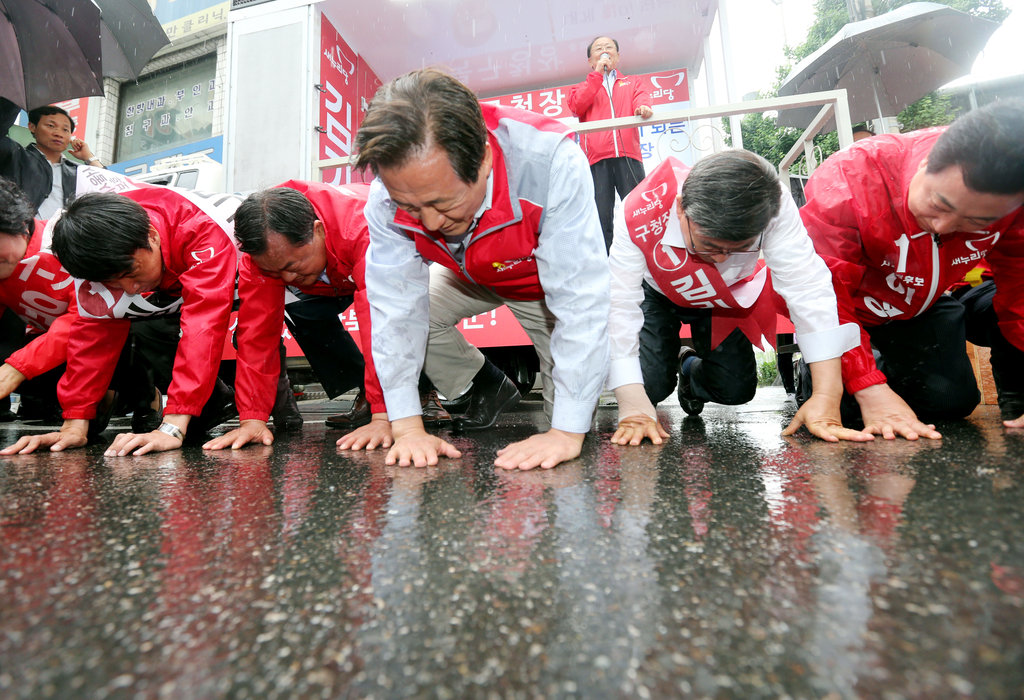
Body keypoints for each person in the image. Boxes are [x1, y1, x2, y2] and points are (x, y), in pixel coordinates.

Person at [354, 68, 610, 471]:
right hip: (467, 276)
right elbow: (394, 306)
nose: (432, 224)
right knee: (415, 316)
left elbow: (581, 304)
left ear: (485, 159)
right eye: (412, 208)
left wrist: (565, 433)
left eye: (443, 203)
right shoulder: (388, 196)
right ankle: (486, 387)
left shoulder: (550, 163)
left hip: (538, 283)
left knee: (569, 426)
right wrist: (406, 427)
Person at [606, 151, 870, 446]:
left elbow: (807, 287)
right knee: (648, 386)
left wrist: (826, 395)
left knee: (735, 390)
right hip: (657, 291)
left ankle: (689, 370)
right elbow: (620, 304)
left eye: (739, 248)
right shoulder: (638, 209)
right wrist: (632, 404)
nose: (719, 257)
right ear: (681, 209)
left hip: (722, 295)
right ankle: (659, 375)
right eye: (708, 245)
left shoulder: (771, 203)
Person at [799, 99, 1024, 437]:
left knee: (950, 403)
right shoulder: (849, 180)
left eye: (976, 222)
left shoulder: (1014, 196)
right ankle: (818, 371)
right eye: (938, 205)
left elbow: (1020, 283)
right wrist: (867, 384)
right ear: (926, 162)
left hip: (922, 307)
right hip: (853, 311)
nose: (945, 227)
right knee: (845, 410)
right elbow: (823, 294)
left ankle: (892, 378)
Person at [204, 181, 450, 452]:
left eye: (291, 266)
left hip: (391, 264)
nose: (287, 279)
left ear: (316, 230)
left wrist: (385, 415)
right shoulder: (265, 257)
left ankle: (416, 392)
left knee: (403, 317)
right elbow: (256, 336)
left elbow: (381, 323)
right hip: (328, 279)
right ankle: (367, 390)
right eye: (275, 272)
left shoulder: (362, 228)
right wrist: (252, 419)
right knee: (298, 311)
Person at [0, 188, 239, 456]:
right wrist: (73, 426)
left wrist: (173, 427)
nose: (130, 288)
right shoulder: (91, 256)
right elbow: (91, 335)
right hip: (166, 284)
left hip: (241, 273)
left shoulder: (198, 230)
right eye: (114, 282)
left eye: (131, 273)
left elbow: (203, 328)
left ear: (152, 236)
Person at [567, 36, 654, 251]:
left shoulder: (632, 82)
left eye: (609, 48)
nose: (604, 51)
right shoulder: (582, 87)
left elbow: (642, 98)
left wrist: (643, 107)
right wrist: (596, 75)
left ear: (617, 56)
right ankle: (604, 269)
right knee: (600, 217)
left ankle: (645, 274)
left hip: (628, 158)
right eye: (599, 48)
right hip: (596, 161)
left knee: (637, 213)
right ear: (590, 60)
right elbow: (577, 106)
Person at [0, 177, 76, 422]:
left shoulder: (62, 241)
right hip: (42, 343)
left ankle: (142, 398)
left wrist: (18, 367)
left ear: (21, 226)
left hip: (101, 334)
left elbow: (88, 317)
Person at [1, 98, 102, 218]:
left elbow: (109, 189)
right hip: (22, 231)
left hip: (64, 235)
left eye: (65, 129)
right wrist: (13, 100)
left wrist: (89, 157)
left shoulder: (77, 171)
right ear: (32, 127)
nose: (58, 133)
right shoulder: (16, 155)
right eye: (51, 125)